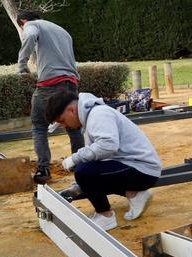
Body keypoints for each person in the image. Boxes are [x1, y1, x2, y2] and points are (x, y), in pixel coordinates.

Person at [44, 88, 162, 232]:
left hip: (143, 169)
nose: (64, 126)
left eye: (62, 121)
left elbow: (108, 146)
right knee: (86, 176)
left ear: (72, 110)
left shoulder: (98, 115)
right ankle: (135, 194)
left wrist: (75, 158)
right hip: (135, 167)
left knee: (83, 172)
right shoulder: (91, 116)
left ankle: (105, 216)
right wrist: (80, 184)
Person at [16, 10, 83, 184]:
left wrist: (22, 64)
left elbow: (29, 36)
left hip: (50, 84)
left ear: (23, 21)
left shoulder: (31, 25)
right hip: (71, 82)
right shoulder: (62, 31)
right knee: (73, 125)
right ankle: (81, 164)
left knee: (39, 126)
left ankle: (43, 168)